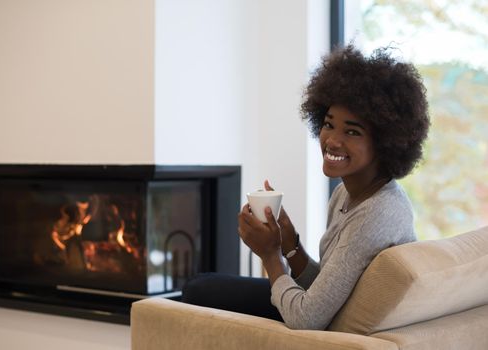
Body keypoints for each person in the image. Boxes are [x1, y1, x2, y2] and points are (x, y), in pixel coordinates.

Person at [182, 44, 430, 330]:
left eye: (352, 131)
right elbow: (325, 290)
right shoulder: (346, 193)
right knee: (201, 285)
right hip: (328, 317)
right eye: (328, 124)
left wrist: (270, 256)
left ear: (386, 142)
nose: (332, 140)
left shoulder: (378, 213)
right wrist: (290, 244)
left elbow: (308, 317)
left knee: (198, 291)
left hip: (328, 332)